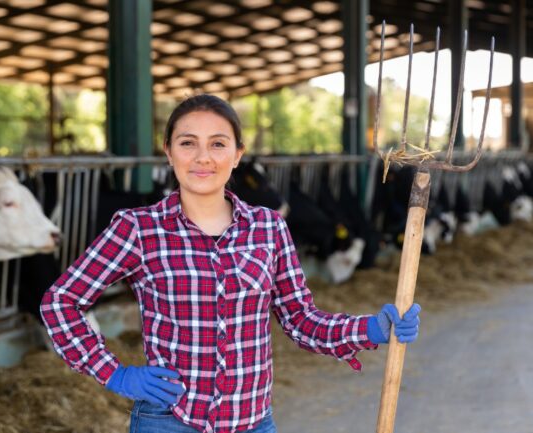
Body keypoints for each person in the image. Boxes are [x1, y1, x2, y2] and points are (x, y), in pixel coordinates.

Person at [40, 94, 421, 433]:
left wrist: (369, 329)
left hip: (253, 422)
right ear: (169, 152)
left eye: (218, 144)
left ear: (237, 154)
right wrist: (115, 374)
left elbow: (300, 319)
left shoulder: (268, 227)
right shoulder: (137, 229)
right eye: (188, 143)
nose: (203, 157)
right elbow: (59, 303)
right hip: (169, 421)